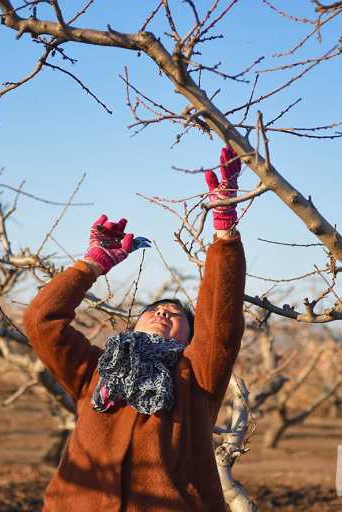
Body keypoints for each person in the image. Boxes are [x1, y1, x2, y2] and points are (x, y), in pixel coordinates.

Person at [23, 146, 247, 511]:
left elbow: (220, 324)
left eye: (176, 314)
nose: (163, 313)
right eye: (155, 309)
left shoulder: (198, 377)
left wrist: (224, 231)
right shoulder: (94, 371)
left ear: (190, 338)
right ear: (134, 323)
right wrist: (91, 265)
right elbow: (40, 321)